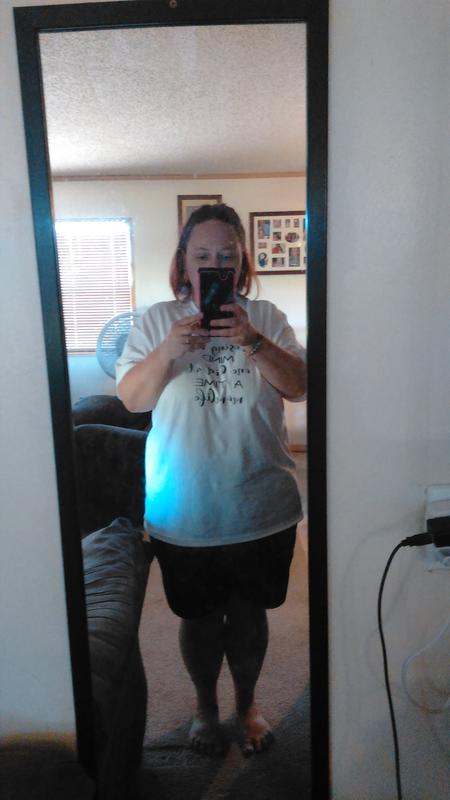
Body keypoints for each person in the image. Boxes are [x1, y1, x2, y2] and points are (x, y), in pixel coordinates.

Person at [116, 203, 306, 757]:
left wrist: (252, 340)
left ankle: (246, 706)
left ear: (242, 262)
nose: (214, 265)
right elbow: (132, 400)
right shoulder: (156, 321)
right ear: (184, 262)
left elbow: (299, 386)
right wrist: (168, 351)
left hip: (260, 504)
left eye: (227, 255)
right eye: (202, 255)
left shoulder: (266, 316)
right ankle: (203, 708)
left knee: (249, 616)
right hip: (185, 510)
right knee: (197, 620)